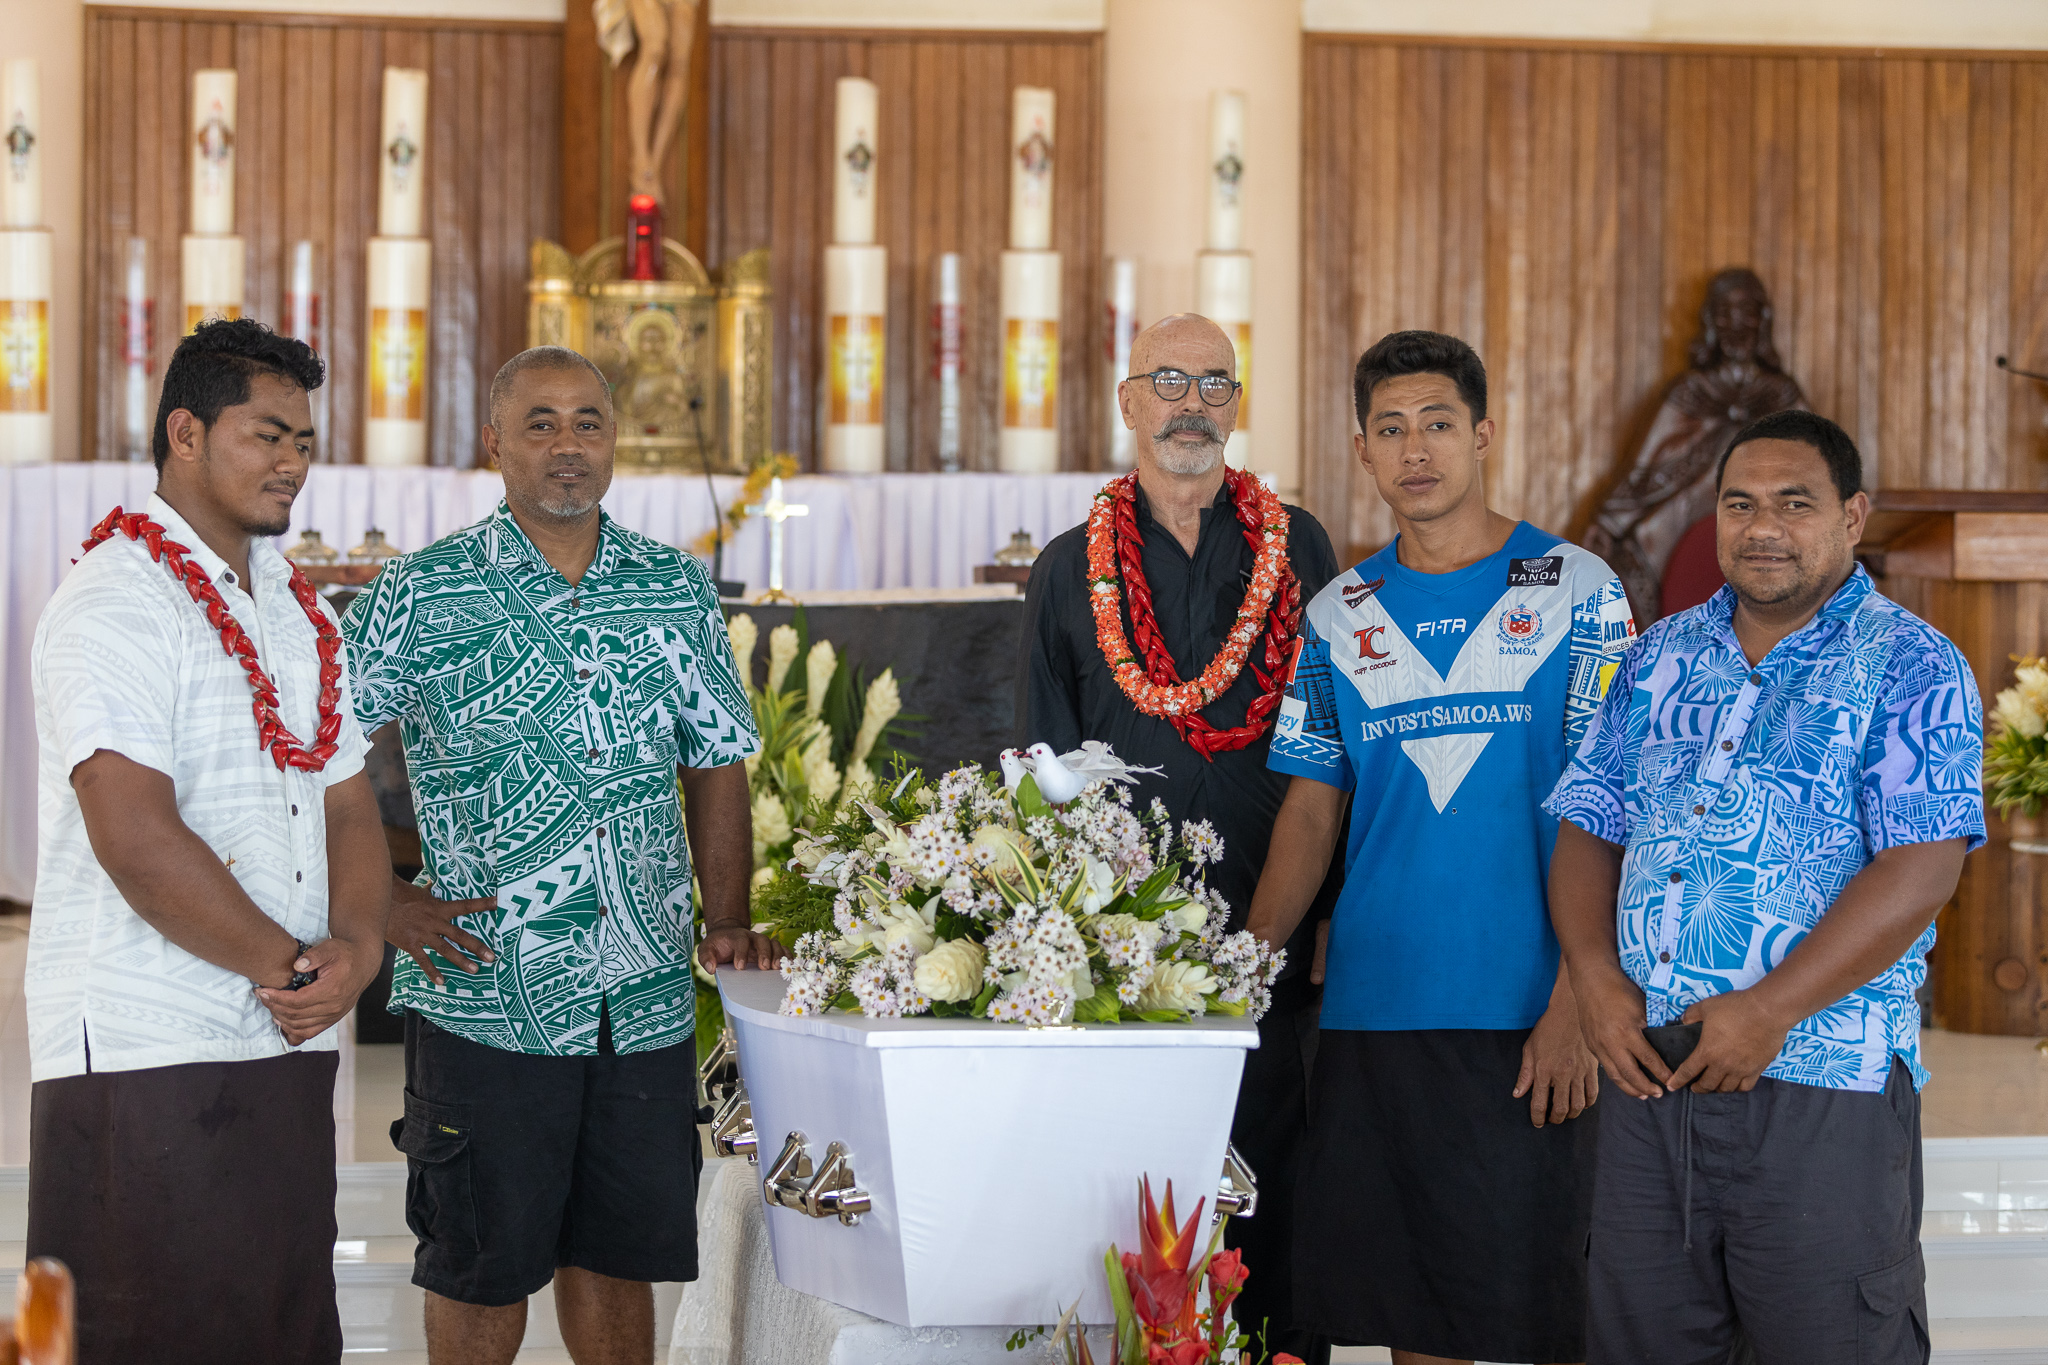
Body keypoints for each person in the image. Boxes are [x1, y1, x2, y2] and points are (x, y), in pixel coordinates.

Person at [341, 346, 777, 1365]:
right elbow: (316, 754)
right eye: (539, 423)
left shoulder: (671, 586)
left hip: (642, 990)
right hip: (487, 985)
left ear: (614, 440)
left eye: (587, 422)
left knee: (616, 1257)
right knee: (478, 1260)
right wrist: (383, 903)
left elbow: (717, 759)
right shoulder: (421, 592)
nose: (567, 446)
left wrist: (722, 920)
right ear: (493, 441)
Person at [1547, 409, 1984, 1363]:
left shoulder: (1913, 663)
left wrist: (1769, 1009)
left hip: (1820, 1082)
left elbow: (1923, 865)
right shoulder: (1655, 657)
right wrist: (1592, 976)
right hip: (1647, 1077)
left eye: (1795, 503)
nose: (1764, 527)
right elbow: (1588, 826)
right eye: (1740, 504)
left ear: (1853, 515)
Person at [1246, 330, 1635, 1365]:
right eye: (1390, 429)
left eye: (1436, 424)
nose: (1413, 449)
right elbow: (1307, 813)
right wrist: (1243, 961)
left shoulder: (1577, 592)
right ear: (1362, 451)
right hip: (1379, 1009)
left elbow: (1621, 811)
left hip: (1530, 1009)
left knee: (1551, 1310)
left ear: (1482, 437)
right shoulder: (1337, 615)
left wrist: (1577, 1002)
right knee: (1412, 1320)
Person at [26, 318, 387, 1364]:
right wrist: (296, 968)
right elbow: (133, 833)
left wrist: (354, 953)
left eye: (306, 442)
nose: (292, 463)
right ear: (184, 432)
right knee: (149, 1333)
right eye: (266, 434)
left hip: (279, 1035)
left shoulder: (291, 607)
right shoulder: (115, 599)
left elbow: (348, 801)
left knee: (274, 1324)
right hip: (146, 1043)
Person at [1019, 313, 1340, 1364]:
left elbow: (1336, 744)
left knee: (1278, 1181)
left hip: (1274, 925)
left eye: (1212, 383)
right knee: (1138, 1198)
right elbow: (1040, 765)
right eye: (1167, 381)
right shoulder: (1068, 568)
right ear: (1126, 403)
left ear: (1235, 406)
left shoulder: (1299, 546)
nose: (1189, 404)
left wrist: (1321, 913)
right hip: (1128, 944)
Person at [1583, 268, 1806, 624]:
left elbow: (1818, 464)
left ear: (1761, 320)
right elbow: (1650, 465)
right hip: (1681, 520)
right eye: (1725, 313)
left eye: (1745, 312)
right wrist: (1610, 521)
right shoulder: (1691, 392)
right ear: (1711, 322)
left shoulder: (1780, 395)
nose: (1736, 325)